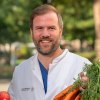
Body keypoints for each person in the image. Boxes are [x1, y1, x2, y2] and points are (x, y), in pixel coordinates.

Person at [8, 4, 91, 100]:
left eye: (51, 28)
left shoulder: (83, 67)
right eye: (39, 28)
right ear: (31, 32)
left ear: (60, 31)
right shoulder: (20, 71)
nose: (45, 34)